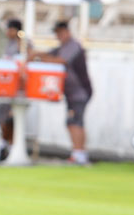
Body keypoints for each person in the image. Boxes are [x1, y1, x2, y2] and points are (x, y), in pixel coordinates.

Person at [29, 20, 92, 165]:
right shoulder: (62, 47)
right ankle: (77, 153)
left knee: (75, 121)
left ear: (67, 32)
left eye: (60, 33)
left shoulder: (73, 46)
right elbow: (48, 55)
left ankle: (80, 154)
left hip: (80, 92)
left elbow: (59, 61)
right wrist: (35, 54)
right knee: (72, 122)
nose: (58, 36)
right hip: (71, 93)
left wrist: (38, 57)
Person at [0, 18, 33, 161]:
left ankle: (11, 146)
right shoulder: (9, 44)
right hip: (6, 86)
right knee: (2, 118)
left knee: (12, 119)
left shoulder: (24, 44)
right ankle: (5, 144)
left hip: (19, 88)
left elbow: (26, 64)